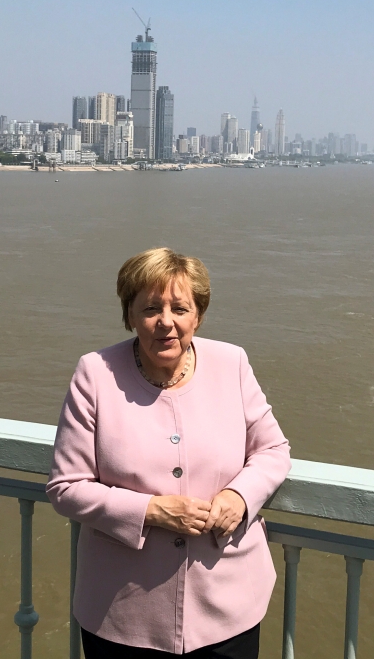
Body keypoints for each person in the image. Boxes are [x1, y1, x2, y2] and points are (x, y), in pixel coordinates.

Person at [47, 247, 291, 658]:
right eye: (150, 309)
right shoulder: (95, 374)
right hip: (123, 612)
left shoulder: (231, 363)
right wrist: (151, 511)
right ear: (130, 316)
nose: (166, 322)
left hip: (228, 607)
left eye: (180, 308)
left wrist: (240, 496)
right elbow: (66, 486)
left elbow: (272, 448)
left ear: (198, 315)